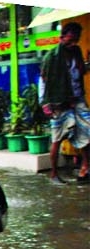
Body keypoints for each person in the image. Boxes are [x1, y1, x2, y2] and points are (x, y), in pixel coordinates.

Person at [41, 22, 89, 185]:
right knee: (58, 138)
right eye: (70, 40)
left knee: (86, 133)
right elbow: (44, 80)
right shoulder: (52, 56)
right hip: (59, 102)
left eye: (76, 40)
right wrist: (46, 103)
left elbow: (80, 72)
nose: (73, 43)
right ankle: (54, 174)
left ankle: (85, 167)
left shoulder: (76, 51)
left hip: (77, 98)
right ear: (62, 37)